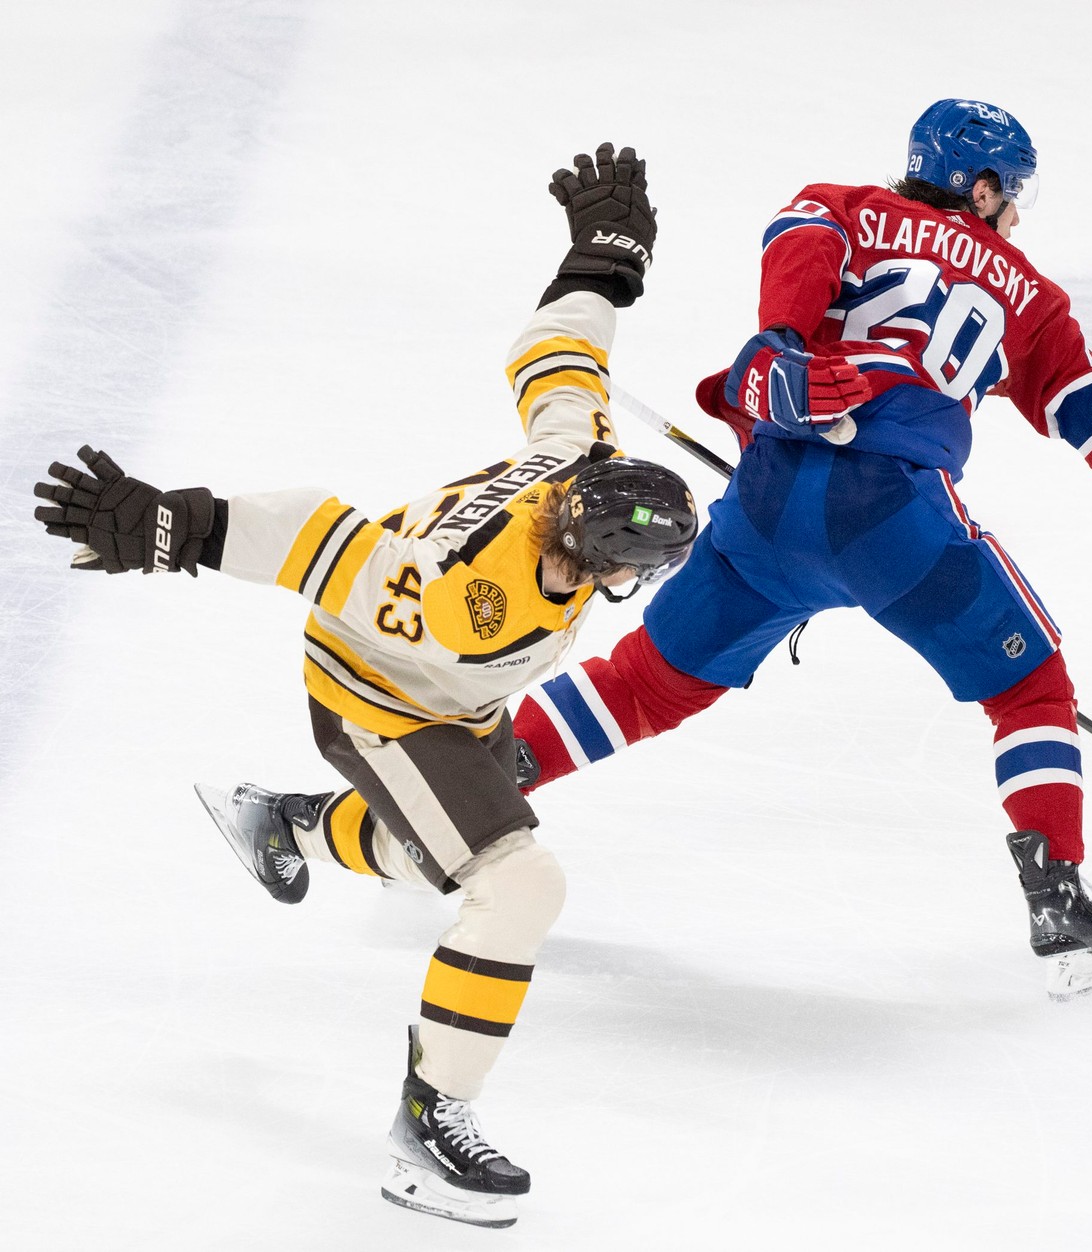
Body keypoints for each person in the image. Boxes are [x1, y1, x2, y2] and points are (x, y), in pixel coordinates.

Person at [30, 144, 696, 1229]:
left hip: (461, 701)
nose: (612, 583)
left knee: (425, 857)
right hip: (382, 703)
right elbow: (311, 533)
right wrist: (171, 525)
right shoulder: (453, 592)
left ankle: (286, 823)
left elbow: (559, 351)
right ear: (609, 556)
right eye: (619, 569)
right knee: (516, 885)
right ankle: (428, 1126)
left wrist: (602, 256)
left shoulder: (579, 462)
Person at [509, 99, 1092, 1001]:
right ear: (980, 186)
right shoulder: (1028, 293)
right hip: (893, 518)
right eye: (1012, 193)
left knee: (646, 682)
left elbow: (794, 248)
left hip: (765, 507)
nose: (1018, 214)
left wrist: (781, 348)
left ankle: (455, 800)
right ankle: (1060, 904)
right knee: (1028, 687)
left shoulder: (835, 205)